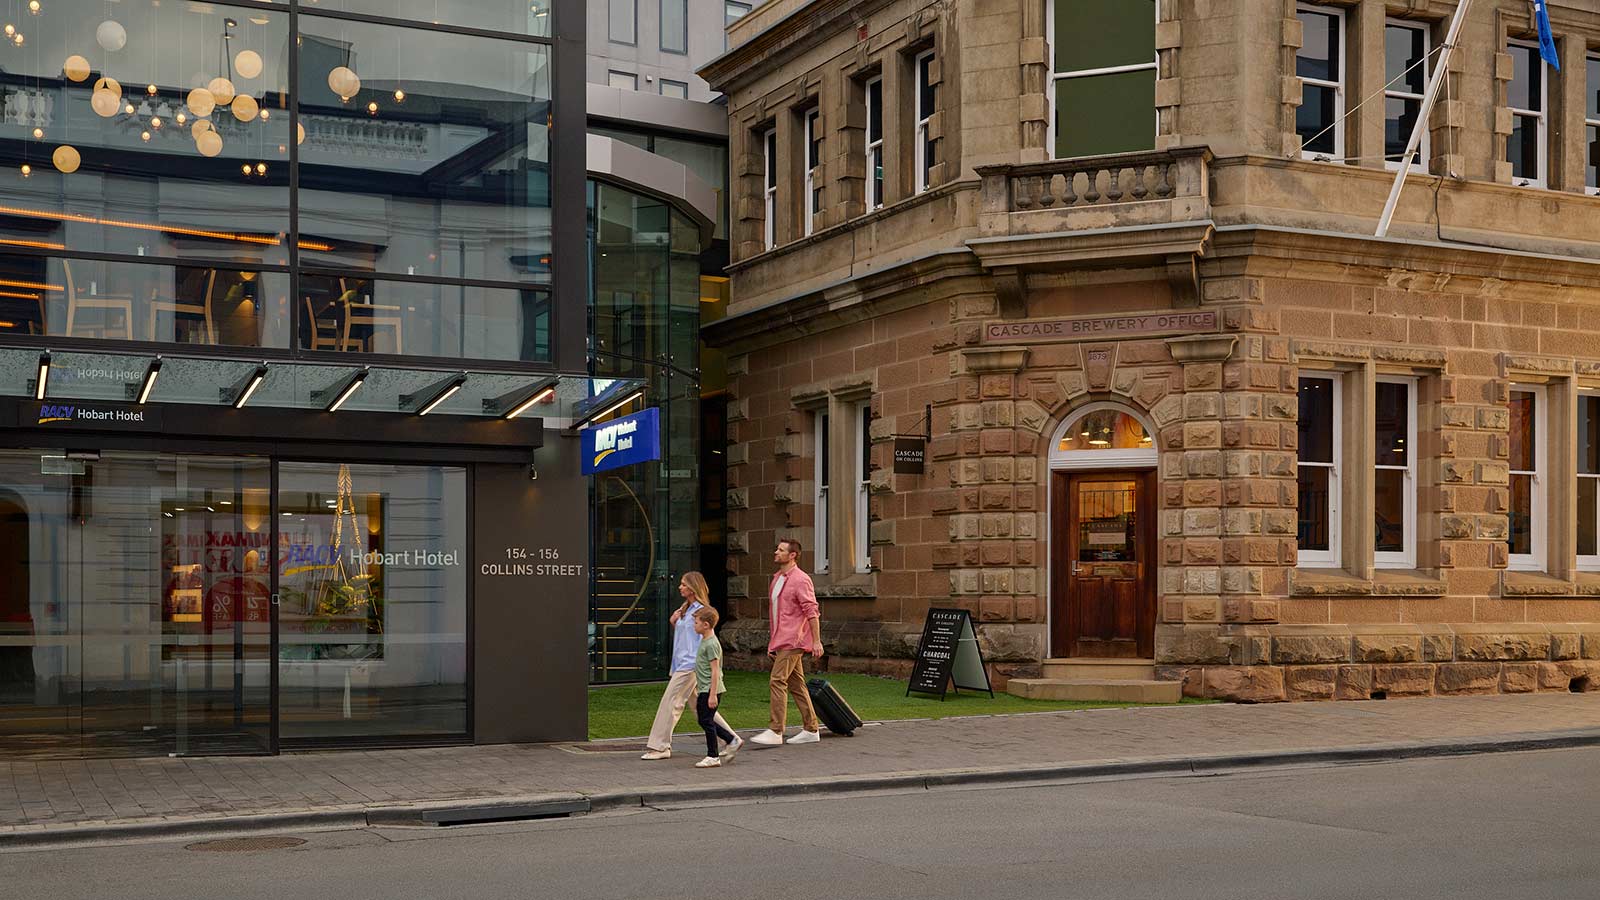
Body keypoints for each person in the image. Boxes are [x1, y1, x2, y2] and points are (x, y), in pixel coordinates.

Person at [641, 572, 739, 760]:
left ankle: (660, 746)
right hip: (683, 663)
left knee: (671, 702)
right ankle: (731, 739)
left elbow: (706, 639)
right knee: (699, 707)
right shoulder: (685, 609)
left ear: (693, 588)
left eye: (684, 584)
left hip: (691, 664)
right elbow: (686, 636)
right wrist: (674, 622)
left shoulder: (702, 611)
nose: (680, 587)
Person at [749, 538, 823, 746]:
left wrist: (816, 641)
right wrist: (773, 644)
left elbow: (812, 611)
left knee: (777, 680)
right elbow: (777, 615)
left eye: (780, 550)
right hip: (782, 640)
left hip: (795, 640)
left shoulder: (800, 579)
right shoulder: (777, 578)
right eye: (777, 549)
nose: (776, 552)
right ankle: (811, 729)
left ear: (792, 555)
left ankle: (776, 730)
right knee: (797, 685)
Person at [691, 606, 739, 768]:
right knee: (705, 720)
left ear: (705, 625)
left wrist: (712, 695)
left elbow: (715, 671)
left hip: (710, 690)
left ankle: (713, 755)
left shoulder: (711, 644)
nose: (694, 625)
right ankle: (731, 740)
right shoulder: (705, 641)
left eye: (696, 622)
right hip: (705, 689)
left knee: (706, 721)